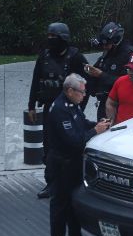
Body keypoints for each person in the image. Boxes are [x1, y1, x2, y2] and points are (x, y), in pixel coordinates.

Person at [46, 73, 110, 236]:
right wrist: (94, 131)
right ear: (70, 90)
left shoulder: (72, 104)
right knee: (60, 206)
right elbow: (73, 141)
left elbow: (81, 124)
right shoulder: (59, 110)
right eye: (82, 92)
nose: (85, 95)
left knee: (74, 204)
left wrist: (98, 125)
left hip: (73, 164)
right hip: (61, 165)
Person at [28, 22, 89, 199]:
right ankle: (51, 183)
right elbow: (35, 79)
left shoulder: (76, 57)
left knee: (71, 146)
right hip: (50, 109)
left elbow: (87, 83)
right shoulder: (44, 56)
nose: (50, 41)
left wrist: (78, 107)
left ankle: (73, 182)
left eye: (53, 37)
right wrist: (31, 105)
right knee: (50, 148)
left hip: (70, 111)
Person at [84, 22, 133, 121]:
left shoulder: (130, 55)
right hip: (104, 101)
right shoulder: (109, 51)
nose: (104, 47)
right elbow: (99, 66)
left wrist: (101, 75)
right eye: (103, 44)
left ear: (115, 41)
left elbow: (130, 82)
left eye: (107, 44)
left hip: (122, 103)